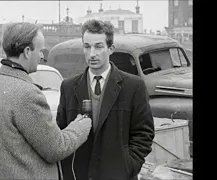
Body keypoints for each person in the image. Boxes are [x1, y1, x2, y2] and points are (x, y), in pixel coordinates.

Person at [0, 22, 92, 180]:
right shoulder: (27, 94)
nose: (42, 56)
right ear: (27, 51)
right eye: (41, 50)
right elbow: (56, 149)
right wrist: (80, 127)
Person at [56, 19, 155, 180]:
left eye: (98, 46)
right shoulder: (68, 87)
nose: (92, 54)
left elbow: (144, 133)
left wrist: (127, 166)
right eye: (87, 46)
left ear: (111, 49)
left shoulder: (133, 86)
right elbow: (61, 132)